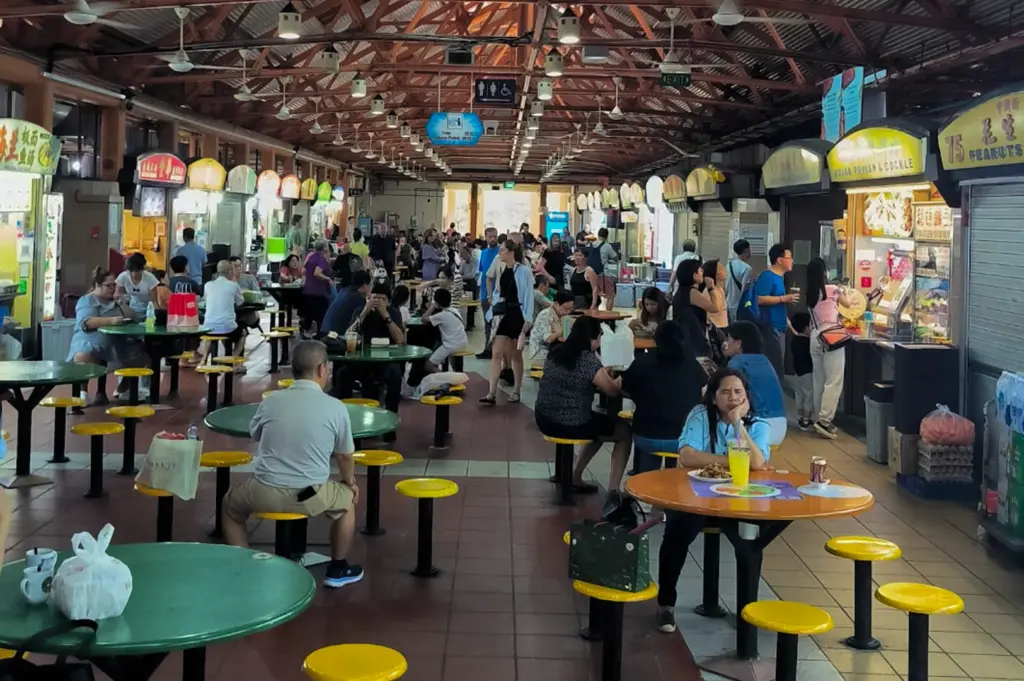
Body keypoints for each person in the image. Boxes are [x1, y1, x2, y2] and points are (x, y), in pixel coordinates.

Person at [220, 340, 362, 588]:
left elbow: (255, 434)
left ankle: (246, 564)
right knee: (347, 503)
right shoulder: (335, 407)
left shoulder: (271, 401)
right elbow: (345, 456)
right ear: (321, 369)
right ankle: (338, 568)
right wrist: (349, 483)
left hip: (263, 490)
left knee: (230, 508)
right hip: (310, 494)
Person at [655, 367, 772, 633]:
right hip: (697, 498)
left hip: (740, 501)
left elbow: (757, 462)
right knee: (678, 528)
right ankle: (666, 604)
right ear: (713, 396)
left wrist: (737, 424)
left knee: (756, 535)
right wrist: (732, 462)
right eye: (725, 392)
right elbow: (687, 456)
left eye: (738, 392)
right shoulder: (699, 415)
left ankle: (748, 613)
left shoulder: (757, 426)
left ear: (746, 398)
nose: (732, 398)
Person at [535, 316, 631, 494]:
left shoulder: (555, 352)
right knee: (623, 432)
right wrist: (619, 379)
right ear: (592, 338)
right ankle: (613, 490)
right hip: (571, 423)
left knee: (600, 426)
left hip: (543, 418)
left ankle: (576, 476)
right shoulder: (588, 360)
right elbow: (611, 391)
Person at [622, 320, 707, 473]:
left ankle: (642, 485)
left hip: (646, 436)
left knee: (647, 459)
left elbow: (625, 388)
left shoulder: (642, 362)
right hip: (682, 439)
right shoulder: (693, 365)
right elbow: (703, 394)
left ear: (656, 338)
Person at [67, 266, 149, 402]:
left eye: (114, 285)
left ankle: (123, 388)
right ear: (97, 285)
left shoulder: (115, 300)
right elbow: (86, 322)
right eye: (108, 285)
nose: (112, 288)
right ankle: (83, 393)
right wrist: (111, 320)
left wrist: (122, 303)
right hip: (91, 340)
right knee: (82, 356)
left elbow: (132, 316)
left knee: (142, 352)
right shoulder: (88, 300)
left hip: (117, 342)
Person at [480, 239, 534, 405]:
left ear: (511, 252)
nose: (500, 253)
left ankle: (517, 390)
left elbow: (528, 295)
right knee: (496, 353)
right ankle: (491, 392)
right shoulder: (503, 269)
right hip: (502, 314)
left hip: (518, 314)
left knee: (516, 354)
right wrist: (493, 302)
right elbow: (498, 290)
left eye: (502, 250)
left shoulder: (524, 271)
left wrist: (528, 319)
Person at [806, 257, 852, 440]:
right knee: (834, 380)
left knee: (819, 379)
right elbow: (848, 304)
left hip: (815, 336)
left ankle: (819, 417)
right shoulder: (832, 290)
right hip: (832, 336)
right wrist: (844, 290)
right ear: (824, 272)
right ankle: (824, 420)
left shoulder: (809, 292)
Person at [342, 283, 405, 413]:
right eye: (375, 298)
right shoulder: (360, 311)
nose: (378, 302)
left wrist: (386, 316)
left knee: (395, 374)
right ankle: (344, 413)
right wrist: (365, 312)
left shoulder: (393, 312)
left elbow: (400, 339)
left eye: (382, 299)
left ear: (388, 302)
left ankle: (391, 412)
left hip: (385, 362)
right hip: (363, 361)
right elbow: (348, 335)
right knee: (342, 372)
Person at [722, 321, 787, 446]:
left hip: (758, 428)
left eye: (728, 338)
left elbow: (722, 389)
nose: (725, 342)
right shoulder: (765, 360)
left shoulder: (737, 362)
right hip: (780, 427)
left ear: (738, 343)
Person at [754, 243, 798, 379]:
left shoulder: (779, 278)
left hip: (779, 328)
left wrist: (791, 326)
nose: (792, 261)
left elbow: (779, 306)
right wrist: (783, 298)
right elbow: (759, 299)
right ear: (779, 260)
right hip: (770, 328)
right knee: (774, 368)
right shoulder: (768, 276)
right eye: (789, 257)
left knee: (778, 365)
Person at [672, 259, 723, 358]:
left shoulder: (682, 291)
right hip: (692, 338)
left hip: (685, 336)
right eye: (700, 270)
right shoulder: (691, 292)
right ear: (694, 275)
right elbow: (715, 308)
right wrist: (711, 287)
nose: (702, 272)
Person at [203, 259, 245, 357]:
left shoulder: (208, 285)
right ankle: (233, 360)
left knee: (212, 333)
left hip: (207, 326)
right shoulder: (233, 285)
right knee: (243, 333)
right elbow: (240, 302)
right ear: (230, 272)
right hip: (227, 327)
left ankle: (204, 358)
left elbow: (206, 300)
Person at [421, 288, 467, 374]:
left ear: (437, 302)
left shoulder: (442, 315)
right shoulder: (454, 310)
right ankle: (451, 377)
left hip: (451, 345)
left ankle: (446, 380)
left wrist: (432, 306)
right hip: (462, 341)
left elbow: (423, 318)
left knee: (428, 365)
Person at [528, 289, 573, 366]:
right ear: (556, 304)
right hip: (540, 353)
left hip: (553, 349)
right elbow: (548, 339)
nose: (568, 312)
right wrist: (558, 333)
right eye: (565, 309)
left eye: (570, 309)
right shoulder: (545, 315)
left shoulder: (561, 315)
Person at [476, 229, 502, 359]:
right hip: (484, 294)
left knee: (495, 323)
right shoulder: (484, 253)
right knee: (487, 323)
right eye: (490, 237)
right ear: (485, 238)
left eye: (495, 236)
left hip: (497, 294)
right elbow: (483, 273)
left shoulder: (500, 253)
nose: (493, 239)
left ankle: (496, 350)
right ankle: (488, 348)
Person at [323, 271, 371, 336]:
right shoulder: (359, 299)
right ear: (365, 285)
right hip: (336, 337)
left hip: (325, 331)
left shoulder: (344, 291)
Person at [302, 240, 334, 335]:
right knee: (321, 318)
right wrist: (328, 278)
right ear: (324, 248)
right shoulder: (321, 259)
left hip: (308, 291)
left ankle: (305, 333)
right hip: (319, 293)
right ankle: (320, 337)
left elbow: (304, 271)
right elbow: (317, 273)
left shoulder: (311, 257)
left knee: (309, 316)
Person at [791, 311, 814, 430]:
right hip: (808, 372)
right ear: (806, 328)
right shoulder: (809, 343)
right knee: (809, 395)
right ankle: (806, 420)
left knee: (799, 394)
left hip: (797, 371)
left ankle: (800, 417)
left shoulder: (794, 340)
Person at [725, 239, 752, 322]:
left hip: (727, 305)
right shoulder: (747, 268)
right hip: (738, 306)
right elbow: (744, 288)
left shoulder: (728, 265)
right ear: (746, 250)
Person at [595, 228, 619, 311]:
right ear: (606, 236)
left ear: (598, 235)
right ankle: (608, 316)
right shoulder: (607, 245)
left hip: (593, 274)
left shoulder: (592, 244)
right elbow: (615, 257)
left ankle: (594, 315)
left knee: (595, 294)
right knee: (611, 295)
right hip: (604, 273)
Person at [702, 258, 729, 329]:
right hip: (715, 328)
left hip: (723, 326)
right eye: (721, 268)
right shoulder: (707, 292)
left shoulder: (720, 289)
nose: (724, 270)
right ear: (714, 273)